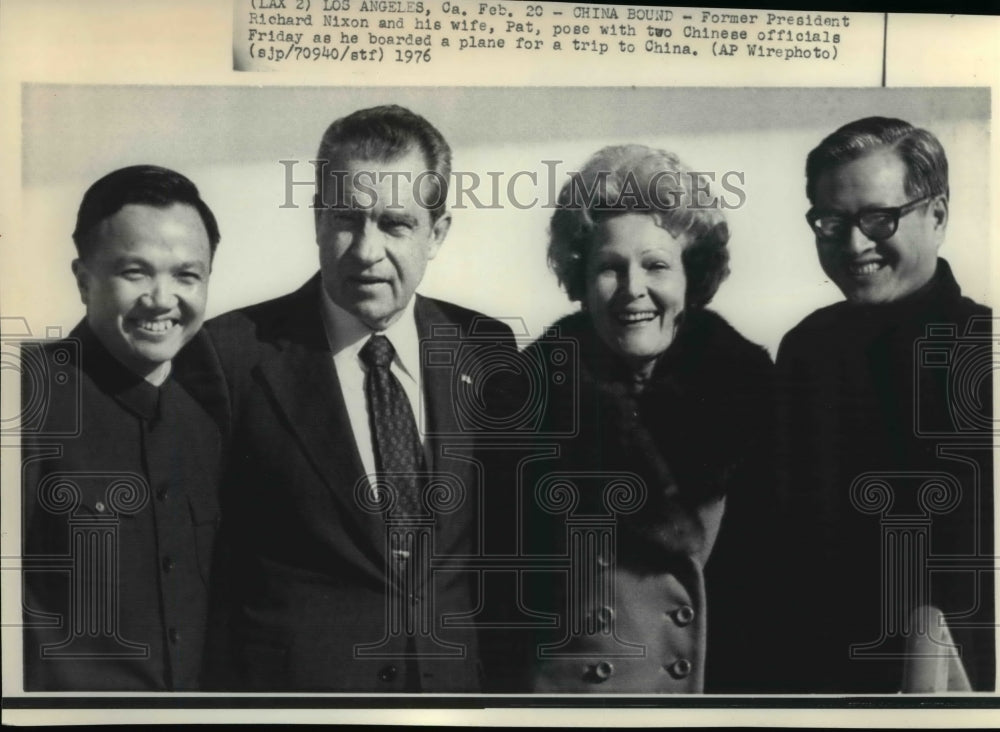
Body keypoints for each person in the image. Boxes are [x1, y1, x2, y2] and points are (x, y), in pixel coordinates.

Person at [200, 105, 516, 692]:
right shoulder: (230, 356)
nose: (366, 249)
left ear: (436, 234)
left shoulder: (486, 349)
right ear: (317, 220)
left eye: (395, 223)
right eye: (347, 218)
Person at [518, 144, 775, 693]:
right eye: (609, 268)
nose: (633, 289)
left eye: (656, 265)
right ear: (580, 282)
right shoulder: (525, 405)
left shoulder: (760, 397)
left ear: (692, 277)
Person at [776, 117, 995, 692]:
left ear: (938, 215)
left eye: (879, 218)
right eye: (831, 222)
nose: (855, 245)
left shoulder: (986, 349)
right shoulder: (805, 350)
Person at [21, 165, 224, 690]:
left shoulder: (211, 419)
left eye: (187, 275)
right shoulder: (25, 404)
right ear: (84, 279)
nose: (162, 298)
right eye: (135, 272)